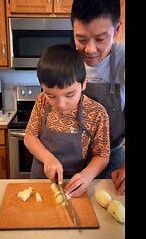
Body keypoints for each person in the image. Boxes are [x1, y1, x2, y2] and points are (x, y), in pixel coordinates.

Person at [25, 44, 110, 198]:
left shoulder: (97, 113)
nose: (61, 104)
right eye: (51, 95)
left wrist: (87, 176)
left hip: (74, 185)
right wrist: (48, 158)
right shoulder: (42, 102)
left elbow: (102, 155)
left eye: (70, 95)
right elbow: (30, 137)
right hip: (41, 181)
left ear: (84, 83)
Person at [71, 0, 125, 195]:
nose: (90, 49)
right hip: (71, 162)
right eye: (81, 39)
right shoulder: (66, 60)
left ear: (117, 29)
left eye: (101, 39)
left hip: (113, 165)